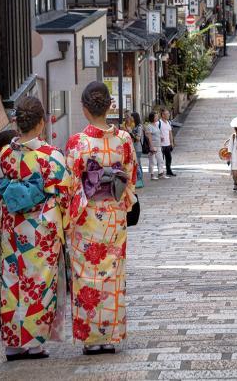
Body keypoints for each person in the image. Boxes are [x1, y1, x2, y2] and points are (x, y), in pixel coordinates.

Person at [0, 96, 71, 361]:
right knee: (38, 284)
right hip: (41, 231)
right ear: (41, 123)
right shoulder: (51, 156)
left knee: (12, 283)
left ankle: (13, 344)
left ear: (18, 124)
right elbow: (64, 195)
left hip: (13, 229)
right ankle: (34, 343)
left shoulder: (5, 154)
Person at [65, 82, 137, 355]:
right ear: (110, 106)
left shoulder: (77, 143)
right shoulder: (124, 140)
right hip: (114, 215)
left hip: (86, 217)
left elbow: (71, 184)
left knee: (86, 276)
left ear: (84, 109)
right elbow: (129, 177)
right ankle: (110, 335)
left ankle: (91, 339)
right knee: (112, 274)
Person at [144, 111, 167, 180]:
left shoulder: (156, 125)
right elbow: (149, 137)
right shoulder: (149, 126)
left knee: (160, 160)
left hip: (158, 145)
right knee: (152, 161)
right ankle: (152, 174)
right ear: (152, 118)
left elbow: (158, 134)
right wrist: (151, 146)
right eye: (156, 116)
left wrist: (161, 137)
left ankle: (161, 173)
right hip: (153, 145)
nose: (157, 117)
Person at [159, 107, 176, 177]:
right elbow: (155, 132)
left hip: (168, 143)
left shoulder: (168, 122)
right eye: (167, 114)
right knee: (161, 159)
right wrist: (160, 137)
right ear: (163, 115)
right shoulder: (159, 123)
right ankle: (161, 172)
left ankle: (168, 170)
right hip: (161, 144)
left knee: (169, 158)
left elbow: (170, 133)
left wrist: (172, 142)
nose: (168, 115)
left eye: (168, 114)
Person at [131, 112, 144, 188]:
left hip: (138, 148)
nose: (131, 118)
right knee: (138, 164)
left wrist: (130, 132)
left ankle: (139, 180)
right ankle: (140, 179)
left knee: (137, 164)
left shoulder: (139, 127)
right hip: (134, 147)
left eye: (132, 117)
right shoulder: (134, 126)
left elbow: (138, 138)